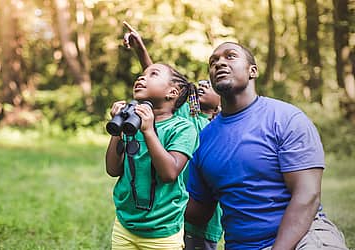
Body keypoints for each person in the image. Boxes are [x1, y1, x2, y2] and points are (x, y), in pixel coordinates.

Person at [185, 41, 349, 249]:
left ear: (252, 71)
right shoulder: (204, 138)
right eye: (213, 61)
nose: (219, 63)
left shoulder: (286, 118)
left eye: (230, 56)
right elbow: (199, 213)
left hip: (304, 236)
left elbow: (307, 196)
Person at [122, 21, 223, 250]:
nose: (205, 84)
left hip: (202, 214)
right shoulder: (186, 113)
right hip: (171, 205)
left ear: (223, 99)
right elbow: (160, 85)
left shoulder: (220, 125)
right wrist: (141, 51)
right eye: (203, 81)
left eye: (213, 85)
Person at [105, 62, 201, 249]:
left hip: (162, 230)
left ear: (173, 92)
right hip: (126, 224)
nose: (141, 77)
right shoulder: (131, 125)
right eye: (142, 74)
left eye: (153, 74)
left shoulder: (182, 128)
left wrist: (149, 131)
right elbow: (113, 169)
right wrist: (116, 131)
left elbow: (169, 173)